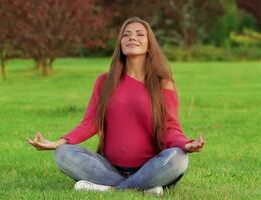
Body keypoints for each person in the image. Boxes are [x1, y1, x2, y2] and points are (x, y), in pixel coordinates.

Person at [27, 17, 205, 196]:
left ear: (150, 44)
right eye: (126, 35)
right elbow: (90, 123)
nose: (132, 38)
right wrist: (59, 142)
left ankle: (111, 188)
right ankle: (144, 188)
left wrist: (186, 145)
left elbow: (170, 127)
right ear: (120, 44)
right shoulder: (104, 81)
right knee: (62, 154)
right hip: (108, 167)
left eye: (139, 34)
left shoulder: (163, 83)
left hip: (150, 165)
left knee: (179, 158)